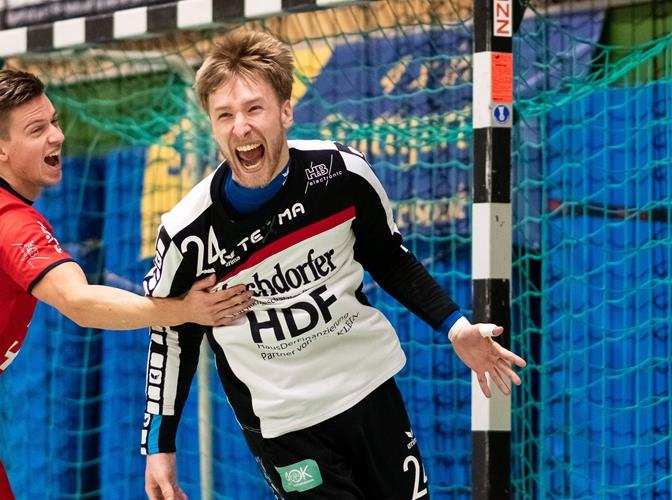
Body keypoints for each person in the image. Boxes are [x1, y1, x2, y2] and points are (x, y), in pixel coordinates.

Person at [140, 30, 527, 499]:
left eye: (254, 108)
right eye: (225, 115)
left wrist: (455, 326)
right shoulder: (188, 231)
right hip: (284, 424)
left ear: (285, 111)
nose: (240, 126)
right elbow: (172, 332)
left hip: (368, 390)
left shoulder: (340, 174)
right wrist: (159, 445)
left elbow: (389, 258)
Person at [0, 69, 253, 500]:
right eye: (37, 130)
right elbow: (80, 301)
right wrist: (183, 310)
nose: (56, 136)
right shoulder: (11, 225)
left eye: (53, 121)